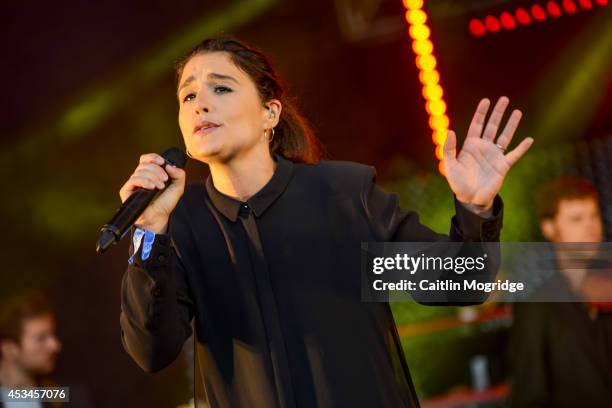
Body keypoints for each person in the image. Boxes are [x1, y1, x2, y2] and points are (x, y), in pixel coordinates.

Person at [118, 37, 532, 407]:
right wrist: (149, 234)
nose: (200, 104)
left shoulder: (343, 194)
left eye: (220, 87)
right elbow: (151, 351)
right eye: (187, 96)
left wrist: (475, 208)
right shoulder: (182, 221)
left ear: (270, 113)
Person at [508, 176, 612, 408]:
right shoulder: (536, 308)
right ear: (549, 228)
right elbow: (530, 395)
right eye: (576, 219)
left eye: (594, 216)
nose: (591, 227)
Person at [0, 291, 61, 407]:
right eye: (41, 338)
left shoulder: (67, 397)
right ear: (9, 349)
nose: (55, 345)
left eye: (52, 334)